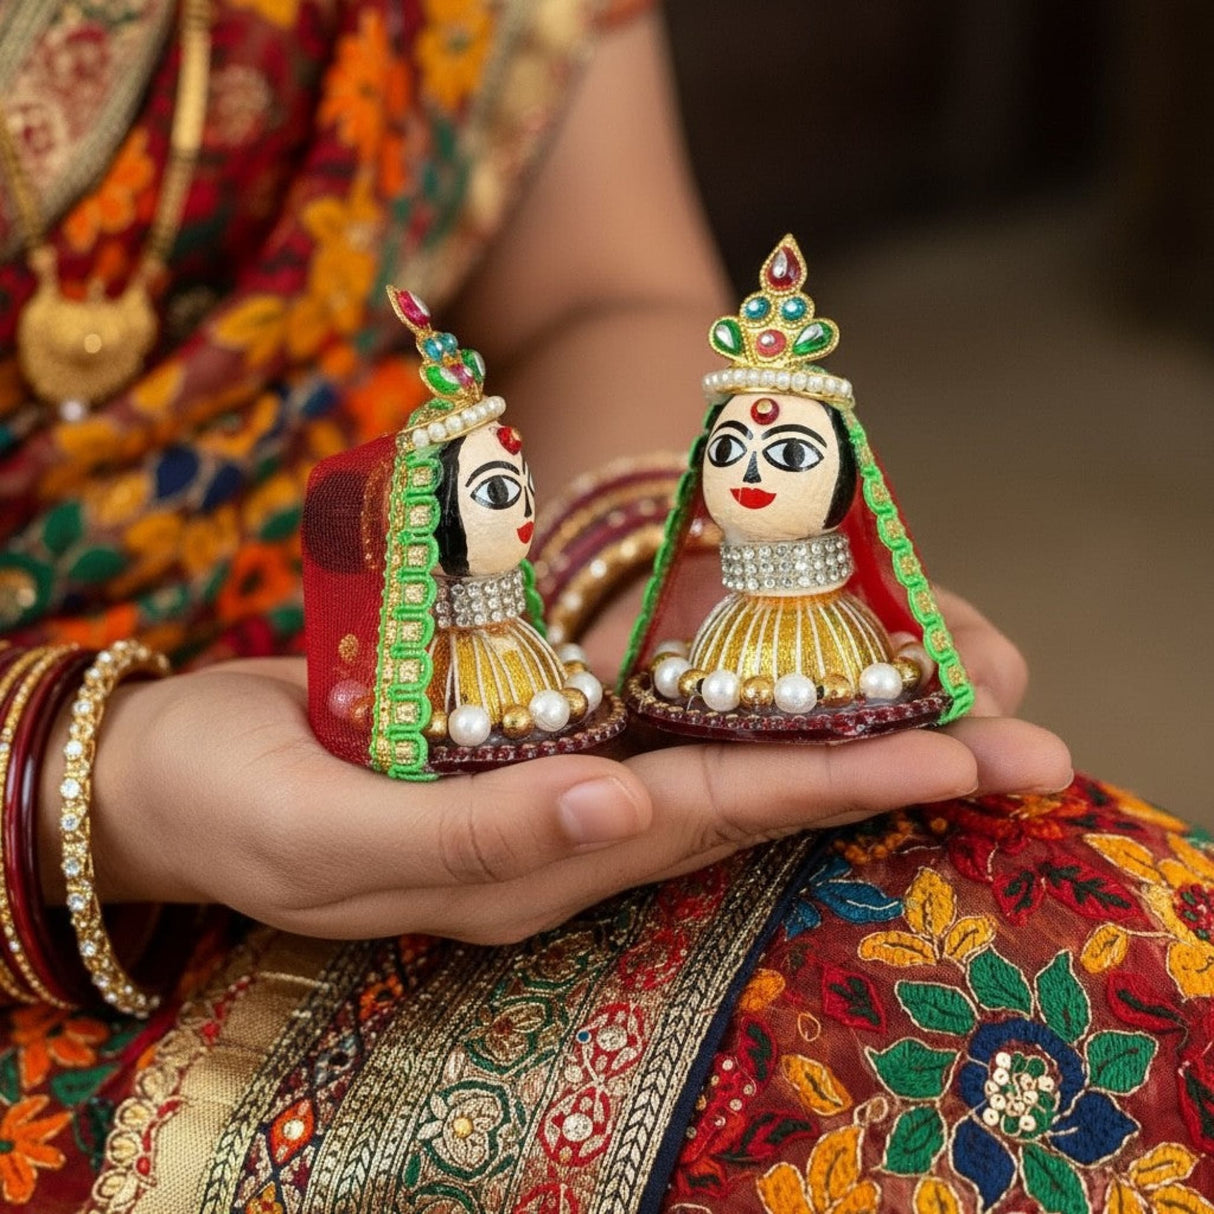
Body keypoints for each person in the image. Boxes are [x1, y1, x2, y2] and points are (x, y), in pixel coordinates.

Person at [0, 3, 1205, 1211]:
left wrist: (623, 572)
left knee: (1122, 966)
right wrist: (75, 781)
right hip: (126, 840)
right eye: (740, 450)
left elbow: (599, 294)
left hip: (380, 640)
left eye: (785, 453)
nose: (754, 473)